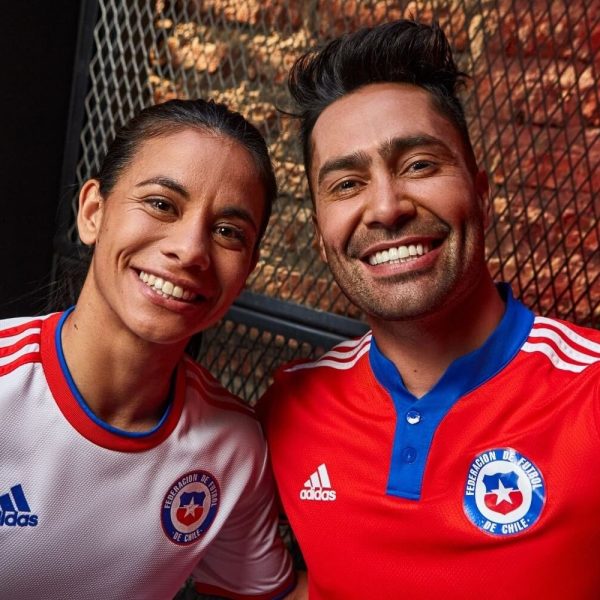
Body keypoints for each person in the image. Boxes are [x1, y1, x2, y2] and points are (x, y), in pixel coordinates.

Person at [260, 20, 600, 599]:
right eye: (346, 184)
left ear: (482, 195)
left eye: (418, 165)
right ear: (320, 236)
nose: (386, 208)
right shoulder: (288, 406)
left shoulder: (588, 393)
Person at [0, 99, 304, 599]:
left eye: (228, 232)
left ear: (247, 271)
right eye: (162, 204)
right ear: (93, 212)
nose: (191, 250)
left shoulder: (233, 449)